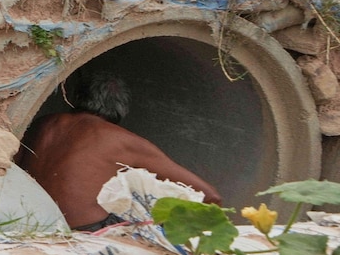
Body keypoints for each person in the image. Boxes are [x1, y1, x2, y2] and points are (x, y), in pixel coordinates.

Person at [16, 72, 222, 231]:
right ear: (122, 109)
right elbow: (209, 195)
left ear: (75, 97)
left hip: (27, 220)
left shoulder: (42, 123)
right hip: (82, 230)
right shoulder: (122, 140)